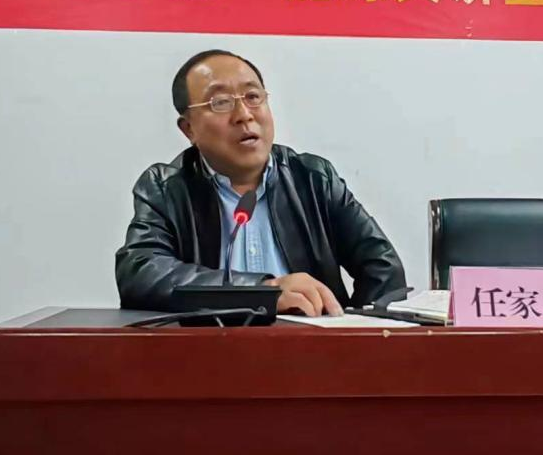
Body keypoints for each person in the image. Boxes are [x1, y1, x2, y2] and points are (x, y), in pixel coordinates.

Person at [115, 49, 406, 316]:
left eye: (253, 97)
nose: (244, 115)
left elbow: (383, 268)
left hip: (311, 349)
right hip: (211, 348)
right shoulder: (166, 187)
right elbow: (141, 273)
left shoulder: (314, 179)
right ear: (189, 129)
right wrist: (262, 292)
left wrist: (354, 334)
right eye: (221, 103)